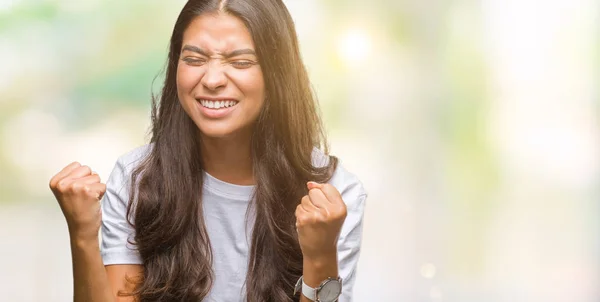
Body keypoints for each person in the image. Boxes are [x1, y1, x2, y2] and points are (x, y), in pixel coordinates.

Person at [49, 0, 367, 301]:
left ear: (278, 74)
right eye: (194, 59)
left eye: (240, 62)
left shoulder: (336, 194)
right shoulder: (136, 178)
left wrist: (321, 255)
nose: (212, 80)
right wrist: (83, 235)